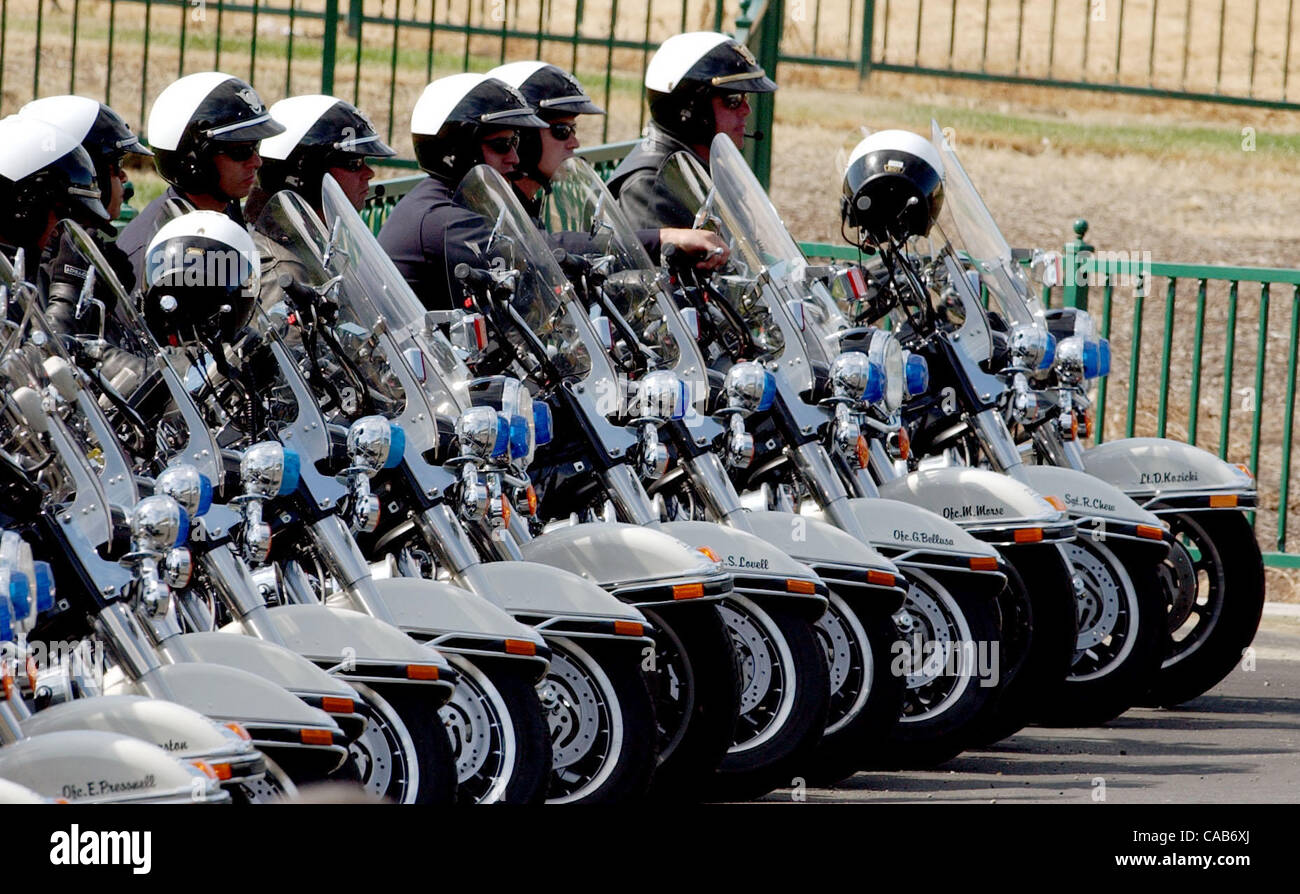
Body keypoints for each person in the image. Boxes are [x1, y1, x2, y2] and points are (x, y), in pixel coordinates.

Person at [486, 60, 727, 267]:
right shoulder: (485, 207)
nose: (574, 142)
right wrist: (665, 237)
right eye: (561, 131)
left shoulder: (522, 204)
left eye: (574, 129)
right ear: (524, 137)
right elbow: (544, 247)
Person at [378, 73, 549, 311]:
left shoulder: (463, 201)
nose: (514, 158)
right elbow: (531, 252)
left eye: (515, 143)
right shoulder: (439, 218)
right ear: (460, 150)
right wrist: (607, 244)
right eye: (501, 146)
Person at [116, 71, 285, 283]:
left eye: (255, 147)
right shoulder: (158, 252)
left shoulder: (222, 213)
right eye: (241, 151)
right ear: (194, 160)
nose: (256, 162)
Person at [607, 31, 776, 231]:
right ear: (691, 108)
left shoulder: (700, 164)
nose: (746, 110)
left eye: (745, 98)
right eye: (733, 100)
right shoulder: (652, 185)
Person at [19, 96, 153, 341]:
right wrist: (69, 288)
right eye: (115, 165)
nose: (124, 177)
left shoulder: (88, 252)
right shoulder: (30, 265)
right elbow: (43, 362)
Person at [245, 94, 397, 308]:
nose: (369, 173)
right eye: (354, 163)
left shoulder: (313, 245)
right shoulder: (282, 271)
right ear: (308, 173)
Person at [0, 114, 111, 292]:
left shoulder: (27, 274)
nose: (64, 234)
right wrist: (67, 289)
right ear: (26, 211)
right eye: (64, 216)